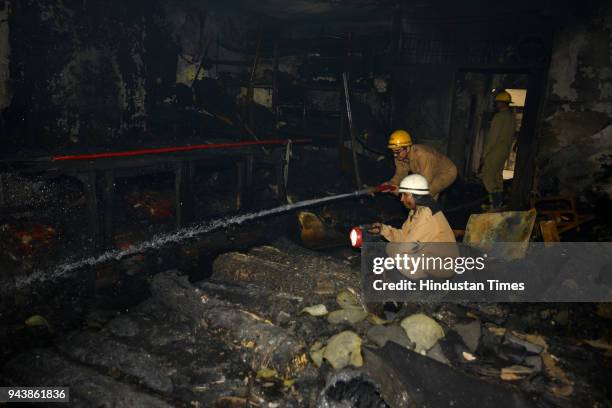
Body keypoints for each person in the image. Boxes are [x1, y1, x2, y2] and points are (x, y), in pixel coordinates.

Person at [370, 174, 458, 279]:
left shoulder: (428, 215)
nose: (401, 199)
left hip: (444, 264)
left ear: (413, 195)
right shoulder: (416, 211)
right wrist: (383, 229)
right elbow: (404, 235)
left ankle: (424, 287)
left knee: (402, 259)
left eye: (404, 195)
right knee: (391, 247)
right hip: (429, 254)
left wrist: (384, 267)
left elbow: (409, 245)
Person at [382, 129, 457, 200]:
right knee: (417, 198)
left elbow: (423, 184)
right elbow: (400, 174)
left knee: (425, 196)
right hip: (427, 172)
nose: (395, 155)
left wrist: (401, 190)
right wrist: (391, 184)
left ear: (407, 148)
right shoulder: (399, 156)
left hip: (446, 172)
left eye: (397, 152)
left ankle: (429, 212)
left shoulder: (423, 156)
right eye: (393, 152)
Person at [480, 90, 517, 210]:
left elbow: (492, 138)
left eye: (497, 102)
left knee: (488, 176)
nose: (496, 105)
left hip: (495, 151)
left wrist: (484, 154)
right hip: (504, 151)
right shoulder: (511, 117)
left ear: (501, 103)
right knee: (497, 177)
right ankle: (499, 203)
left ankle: (494, 204)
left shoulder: (499, 117)